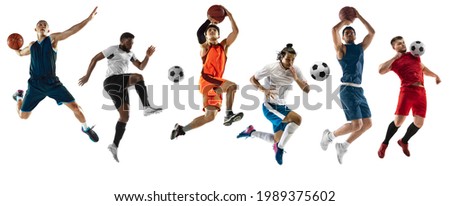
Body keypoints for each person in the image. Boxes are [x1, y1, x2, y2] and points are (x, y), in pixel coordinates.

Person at [12, 7, 99, 143]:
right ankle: (18, 97)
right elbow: (20, 53)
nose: (42, 25)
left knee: (76, 107)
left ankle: (86, 128)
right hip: (35, 85)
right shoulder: (32, 45)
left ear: (48, 30)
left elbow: (71, 31)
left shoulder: (53, 39)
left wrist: (89, 19)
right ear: (35, 29)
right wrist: (14, 47)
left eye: (45, 25)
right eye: (40, 24)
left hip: (53, 83)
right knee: (23, 116)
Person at [78, 32, 162, 162]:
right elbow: (95, 59)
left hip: (120, 85)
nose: (131, 44)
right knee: (138, 78)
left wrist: (147, 56)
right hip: (111, 81)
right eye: (129, 42)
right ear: (122, 41)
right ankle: (146, 107)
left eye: (132, 42)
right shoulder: (113, 49)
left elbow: (141, 67)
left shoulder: (131, 54)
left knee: (125, 117)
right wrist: (87, 76)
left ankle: (114, 145)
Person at [170, 6, 243, 140]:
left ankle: (181, 129)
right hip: (207, 79)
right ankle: (228, 114)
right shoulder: (205, 47)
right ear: (206, 35)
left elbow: (235, 32)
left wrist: (230, 16)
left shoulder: (223, 46)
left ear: (218, 35)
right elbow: (199, 34)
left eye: (214, 29)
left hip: (216, 82)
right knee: (232, 86)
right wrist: (208, 20)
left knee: (210, 117)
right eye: (209, 30)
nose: (211, 31)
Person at [237, 44, 310, 165]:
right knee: (297, 119)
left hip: (282, 107)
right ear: (281, 57)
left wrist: (296, 78)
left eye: (293, 59)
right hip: (270, 106)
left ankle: (251, 132)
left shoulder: (295, 70)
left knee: (277, 139)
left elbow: (307, 90)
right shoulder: (271, 67)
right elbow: (252, 79)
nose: (290, 62)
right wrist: (263, 90)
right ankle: (280, 148)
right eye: (287, 59)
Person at [320, 8, 375, 164]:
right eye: (347, 33)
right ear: (343, 37)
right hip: (347, 89)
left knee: (367, 124)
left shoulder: (360, 48)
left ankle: (343, 146)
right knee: (356, 125)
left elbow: (372, 33)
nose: (350, 34)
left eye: (352, 32)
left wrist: (359, 16)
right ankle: (329, 136)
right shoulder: (341, 49)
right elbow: (334, 29)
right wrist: (346, 21)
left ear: (355, 36)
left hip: (359, 89)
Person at [377, 36, 441, 158]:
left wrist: (435, 75)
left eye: (403, 43)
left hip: (421, 93)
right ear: (393, 47)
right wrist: (394, 57)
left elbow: (423, 69)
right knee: (398, 122)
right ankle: (385, 143)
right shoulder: (394, 62)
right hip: (407, 91)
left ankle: (403, 141)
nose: (403, 45)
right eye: (399, 44)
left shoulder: (414, 54)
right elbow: (380, 70)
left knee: (419, 123)